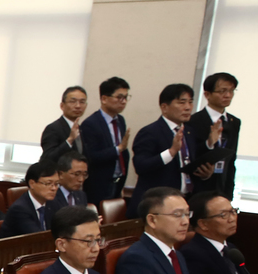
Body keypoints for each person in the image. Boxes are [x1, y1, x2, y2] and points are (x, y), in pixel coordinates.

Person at [130, 83, 217, 209]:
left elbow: (189, 161)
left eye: (190, 102)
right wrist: (171, 152)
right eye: (182, 102)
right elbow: (141, 166)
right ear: (164, 107)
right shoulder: (150, 132)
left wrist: (209, 146)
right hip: (156, 204)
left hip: (183, 200)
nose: (188, 107)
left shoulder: (189, 131)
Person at [80, 76, 132, 204]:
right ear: (104, 98)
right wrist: (118, 149)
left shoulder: (120, 120)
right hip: (99, 184)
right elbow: (90, 156)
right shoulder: (91, 124)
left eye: (126, 97)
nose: (124, 101)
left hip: (118, 181)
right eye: (119, 97)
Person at [188, 72, 240, 197]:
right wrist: (209, 144)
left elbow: (231, 159)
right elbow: (190, 154)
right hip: (198, 188)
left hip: (222, 187)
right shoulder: (193, 121)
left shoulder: (234, 122)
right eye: (222, 91)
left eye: (231, 91)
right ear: (207, 94)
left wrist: (229, 194)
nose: (228, 95)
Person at [2, 160, 61, 237]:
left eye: (56, 184)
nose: (54, 188)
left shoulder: (53, 203)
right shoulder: (19, 209)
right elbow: (38, 238)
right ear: (32, 184)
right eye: (48, 183)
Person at [41, 86, 88, 161]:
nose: (78, 106)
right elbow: (47, 158)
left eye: (82, 102)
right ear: (62, 106)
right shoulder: (53, 128)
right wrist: (70, 140)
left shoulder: (83, 129)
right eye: (73, 101)